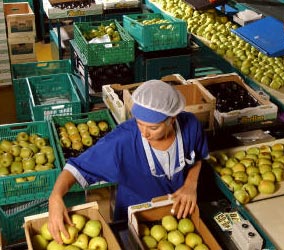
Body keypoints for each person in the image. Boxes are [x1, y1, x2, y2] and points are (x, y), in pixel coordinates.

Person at [48, 79, 209, 244]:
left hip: (180, 216)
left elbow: (198, 158)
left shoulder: (191, 126)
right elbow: (76, 168)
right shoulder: (123, 140)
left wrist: (190, 184)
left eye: (153, 128)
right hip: (134, 220)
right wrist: (55, 197)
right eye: (140, 124)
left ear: (172, 119)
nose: (145, 133)